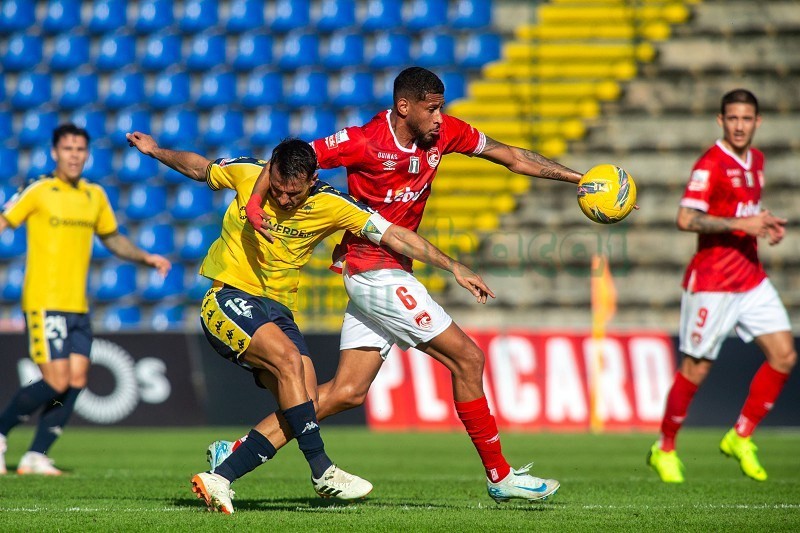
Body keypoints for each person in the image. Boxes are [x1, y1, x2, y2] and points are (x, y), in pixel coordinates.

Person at [212, 67, 585, 503]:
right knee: (467, 358)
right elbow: (283, 161)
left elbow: (511, 156)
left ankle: (236, 453)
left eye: (441, 108)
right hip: (375, 270)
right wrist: (255, 205)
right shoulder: (362, 140)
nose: (440, 117)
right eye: (432, 109)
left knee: (346, 393)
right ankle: (500, 477)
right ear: (404, 107)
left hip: (388, 270)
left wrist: (579, 179)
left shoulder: (443, 135)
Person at [126, 132, 494, 514]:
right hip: (227, 296)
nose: (284, 200)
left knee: (303, 399)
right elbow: (198, 167)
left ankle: (224, 471)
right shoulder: (247, 175)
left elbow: (396, 235)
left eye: (294, 194)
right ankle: (323, 470)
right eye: (279, 190)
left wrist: (453, 266)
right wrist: (155, 151)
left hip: (278, 311)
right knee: (288, 361)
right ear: (273, 173)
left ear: (313, 180)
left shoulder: (333, 204)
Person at [0, 124, 171, 476]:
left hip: (77, 304)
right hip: (45, 299)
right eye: (68, 149)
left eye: (80, 149)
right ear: (54, 152)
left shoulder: (94, 196)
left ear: (87, 154)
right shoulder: (39, 189)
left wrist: (145, 257)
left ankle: (36, 455)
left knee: (77, 378)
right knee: (57, 380)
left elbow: (113, 239)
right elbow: (5, 220)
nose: (74, 155)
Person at [647, 89, 795, 483]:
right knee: (696, 369)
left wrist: (763, 222)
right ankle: (664, 446)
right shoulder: (710, 164)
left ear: (758, 122)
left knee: (784, 355)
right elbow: (685, 218)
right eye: (733, 118)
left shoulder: (757, 161)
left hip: (750, 276)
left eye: (747, 119)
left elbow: (743, 213)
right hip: (712, 282)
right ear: (721, 121)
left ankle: (740, 435)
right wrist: (740, 225)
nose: (740, 126)